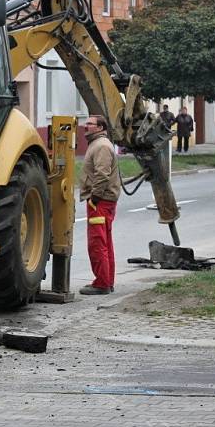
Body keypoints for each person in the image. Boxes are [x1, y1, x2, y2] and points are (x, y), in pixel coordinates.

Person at [79, 115, 121, 296]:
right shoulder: (98, 144)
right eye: (86, 122)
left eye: (89, 123)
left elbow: (102, 175)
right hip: (104, 200)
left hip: (100, 201)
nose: (85, 126)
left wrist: (94, 198)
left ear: (100, 127)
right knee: (105, 243)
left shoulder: (101, 146)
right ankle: (106, 281)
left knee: (97, 243)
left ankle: (102, 283)